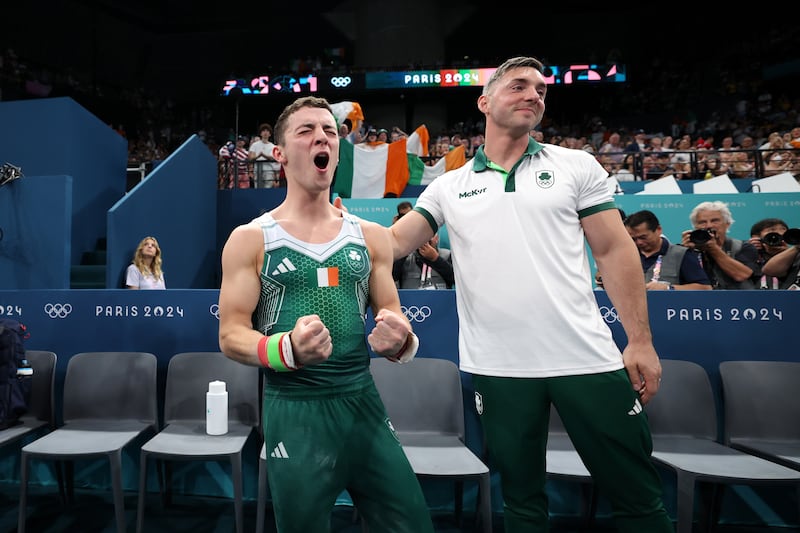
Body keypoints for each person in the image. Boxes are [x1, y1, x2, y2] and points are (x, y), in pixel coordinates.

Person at [353, 56, 673, 532]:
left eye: (541, 90)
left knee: (639, 501)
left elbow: (613, 250)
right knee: (522, 505)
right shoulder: (447, 186)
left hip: (587, 360)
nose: (534, 95)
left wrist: (640, 340)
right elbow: (395, 242)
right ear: (484, 102)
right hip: (498, 369)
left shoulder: (575, 166)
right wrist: (332, 225)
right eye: (519, 86)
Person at [217, 96, 434, 533]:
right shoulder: (250, 238)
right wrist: (285, 349)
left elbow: (392, 312)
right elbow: (231, 335)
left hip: (362, 404)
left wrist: (401, 339)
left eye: (330, 132)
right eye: (306, 131)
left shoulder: (370, 236)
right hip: (294, 410)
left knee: (412, 525)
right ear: (279, 154)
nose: (322, 137)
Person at [623, 210, 712, 291]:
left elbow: (705, 288)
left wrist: (669, 288)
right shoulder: (624, 257)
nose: (639, 242)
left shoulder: (681, 255)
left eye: (643, 237)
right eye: (633, 239)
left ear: (658, 230)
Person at [681, 200, 759, 289]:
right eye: (702, 222)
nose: (708, 226)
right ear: (695, 227)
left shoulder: (743, 247)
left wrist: (713, 249)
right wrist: (685, 252)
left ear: (727, 224)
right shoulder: (689, 250)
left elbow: (742, 275)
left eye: (715, 221)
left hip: (736, 299)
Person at [248, 123, 280, 188]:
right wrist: (258, 156)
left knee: (268, 187)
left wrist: (264, 155)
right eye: (263, 131)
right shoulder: (255, 145)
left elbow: (274, 158)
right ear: (260, 133)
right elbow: (251, 157)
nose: (265, 133)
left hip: (269, 170)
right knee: (257, 188)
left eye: (267, 131)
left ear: (270, 134)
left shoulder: (273, 146)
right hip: (257, 170)